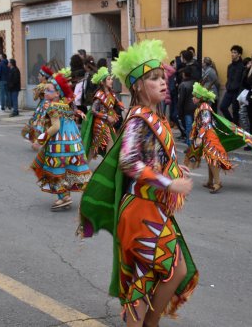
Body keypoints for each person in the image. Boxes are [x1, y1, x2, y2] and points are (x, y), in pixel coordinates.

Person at [79, 39, 199, 327]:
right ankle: (149, 323)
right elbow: (130, 162)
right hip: (141, 211)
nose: (161, 83)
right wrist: (168, 184)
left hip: (152, 209)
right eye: (153, 78)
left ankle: (150, 323)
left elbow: (149, 159)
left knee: (158, 276)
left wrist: (171, 169)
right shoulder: (138, 120)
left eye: (162, 77)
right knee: (152, 279)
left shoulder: (151, 116)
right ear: (137, 86)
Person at [30, 73, 91, 210]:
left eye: (49, 90)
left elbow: (55, 127)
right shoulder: (65, 105)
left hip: (59, 144)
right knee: (65, 169)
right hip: (74, 143)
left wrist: (39, 140)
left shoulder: (53, 106)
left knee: (55, 170)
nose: (45, 92)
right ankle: (65, 195)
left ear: (57, 93)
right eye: (45, 90)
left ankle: (64, 197)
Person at [185, 83, 232, 193]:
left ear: (201, 98)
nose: (193, 98)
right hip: (205, 135)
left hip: (209, 136)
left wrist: (199, 137)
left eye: (195, 96)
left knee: (212, 159)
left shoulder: (205, 108)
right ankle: (210, 181)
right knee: (209, 158)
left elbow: (206, 124)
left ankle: (217, 182)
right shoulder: (200, 107)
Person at [80, 66, 124, 159]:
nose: (111, 81)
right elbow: (93, 111)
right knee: (97, 146)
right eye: (108, 79)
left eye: (111, 79)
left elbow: (117, 103)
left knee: (98, 146)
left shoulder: (112, 93)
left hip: (108, 124)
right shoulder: (99, 95)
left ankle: (89, 166)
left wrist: (124, 107)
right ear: (102, 82)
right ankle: (86, 166)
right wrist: (106, 117)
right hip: (100, 124)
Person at [22, 65, 53, 143]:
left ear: (44, 77)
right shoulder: (52, 85)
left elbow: (35, 98)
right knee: (48, 123)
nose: (38, 77)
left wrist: (37, 92)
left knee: (40, 123)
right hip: (51, 106)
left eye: (39, 76)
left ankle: (40, 139)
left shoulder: (41, 86)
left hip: (43, 107)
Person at [219, 45, 244, 124]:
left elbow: (242, 80)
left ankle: (236, 128)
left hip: (237, 91)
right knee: (222, 107)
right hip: (229, 90)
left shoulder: (242, 66)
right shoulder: (230, 66)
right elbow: (228, 77)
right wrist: (227, 85)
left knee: (235, 110)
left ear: (239, 54)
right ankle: (232, 123)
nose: (232, 54)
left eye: (235, 52)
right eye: (232, 52)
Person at [178, 69, 197, 146]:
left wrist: (180, 111)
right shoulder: (195, 83)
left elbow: (181, 100)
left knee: (189, 127)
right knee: (194, 127)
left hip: (187, 109)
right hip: (195, 107)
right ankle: (194, 143)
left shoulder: (183, 85)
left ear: (184, 74)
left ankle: (190, 145)